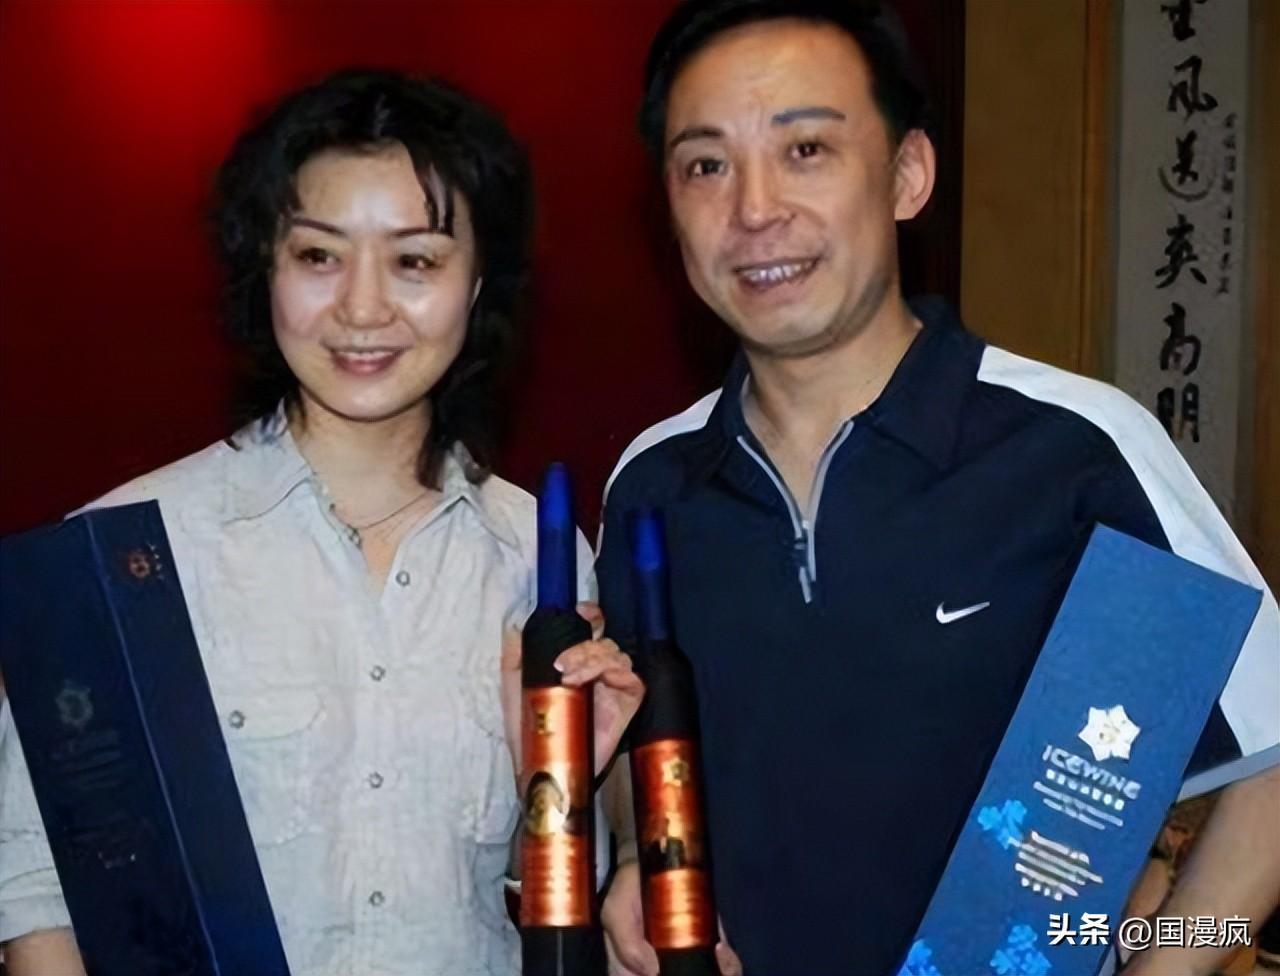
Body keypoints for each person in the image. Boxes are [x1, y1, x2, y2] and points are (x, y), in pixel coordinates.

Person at [595, 3, 1280, 975]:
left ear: (907, 173)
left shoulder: (1071, 451)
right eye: (705, 164)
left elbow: (1270, 763)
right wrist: (637, 854)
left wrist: (1166, 962)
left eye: (805, 150)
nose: (752, 209)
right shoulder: (652, 483)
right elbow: (641, 739)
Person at [0, 69, 643, 976]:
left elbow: (536, 902)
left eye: (415, 261)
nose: (362, 308)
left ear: (477, 284)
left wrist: (560, 784)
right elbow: (38, 890)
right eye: (318, 256)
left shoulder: (538, 560)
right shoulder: (123, 555)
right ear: (265, 266)